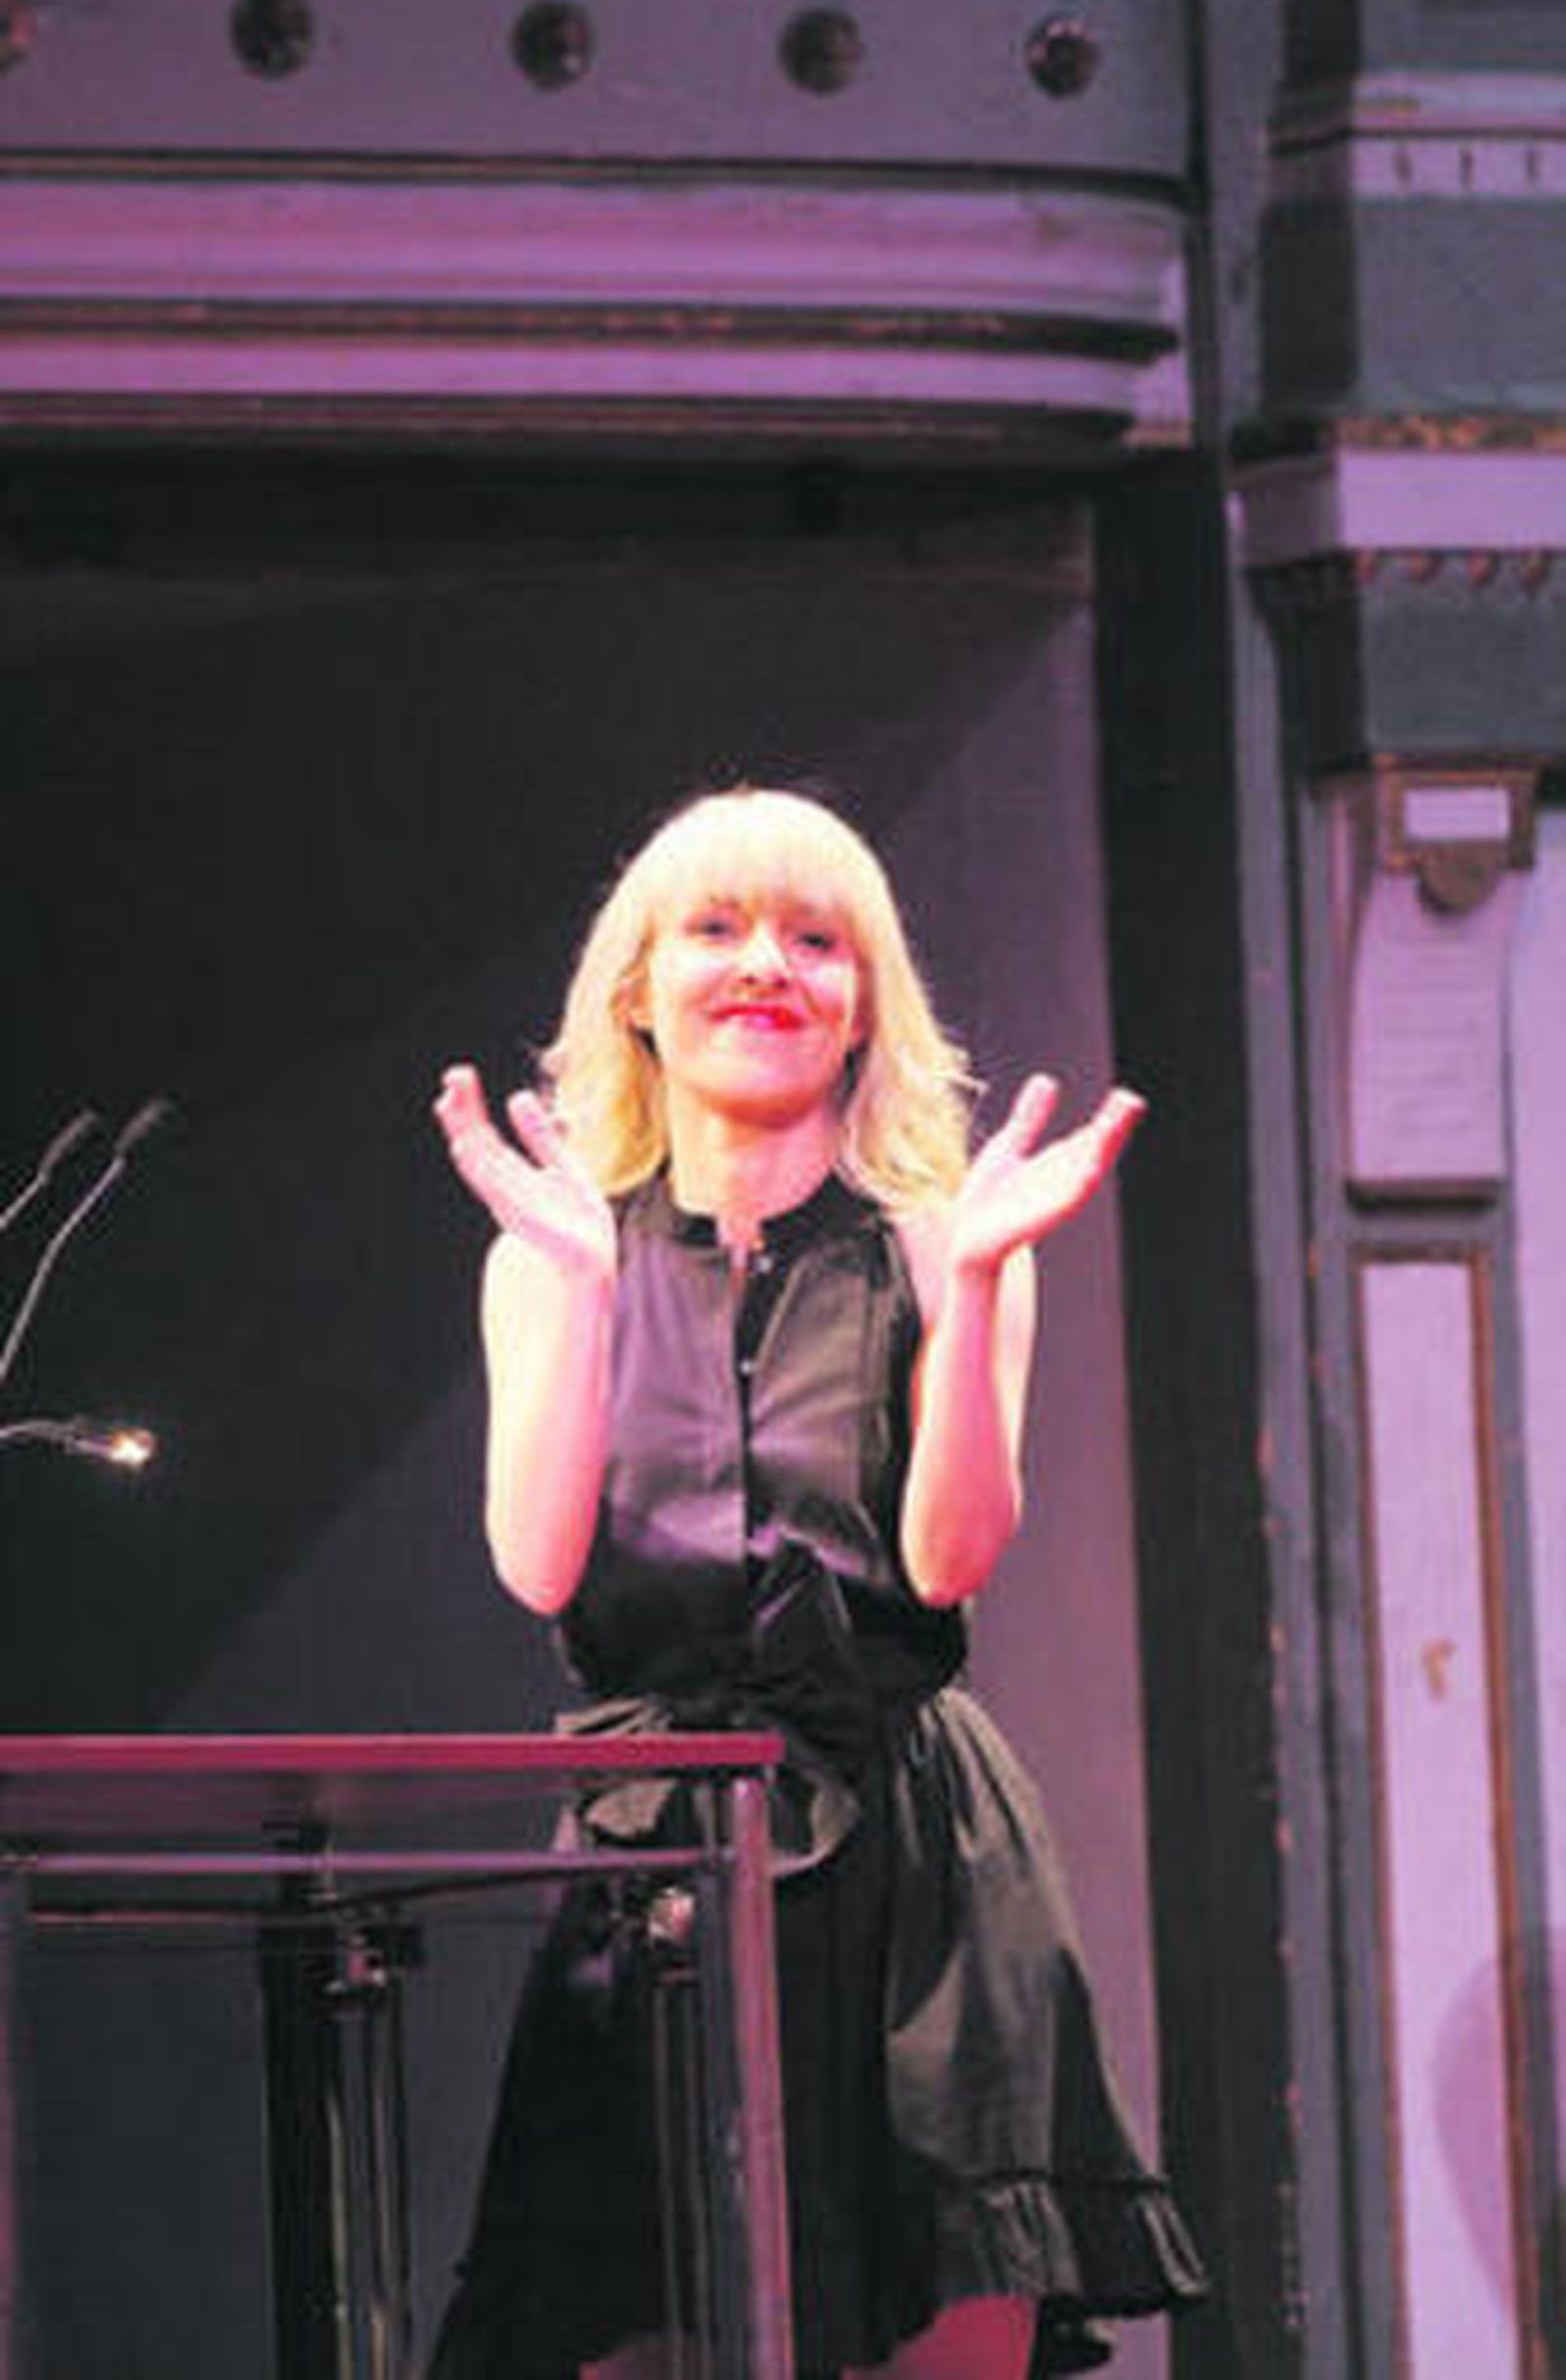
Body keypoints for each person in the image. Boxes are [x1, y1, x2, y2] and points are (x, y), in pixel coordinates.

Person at [429, 786, 1206, 2379]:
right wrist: (581, 1287)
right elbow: (538, 1567)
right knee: (631, 2320)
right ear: (638, 990)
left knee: (943, 2331)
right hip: (654, 1848)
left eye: (816, 938)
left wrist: (978, 1281)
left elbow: (950, 1558)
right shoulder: (551, 1252)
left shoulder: (940, 1241)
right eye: (715, 929)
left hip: (911, 1845)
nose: (766, 966)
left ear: (867, 1003)